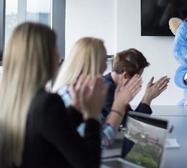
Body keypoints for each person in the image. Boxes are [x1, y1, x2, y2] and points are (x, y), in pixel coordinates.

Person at [0, 22, 106, 168]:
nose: (59, 55)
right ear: (44, 56)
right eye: (55, 47)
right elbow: (89, 164)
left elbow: (48, 130)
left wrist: (76, 109)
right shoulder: (48, 103)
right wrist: (92, 116)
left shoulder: (11, 99)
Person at [53, 38, 142, 147]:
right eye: (104, 60)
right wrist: (119, 106)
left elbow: (99, 130)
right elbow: (101, 142)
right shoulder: (74, 96)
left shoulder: (74, 92)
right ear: (94, 62)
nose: (106, 67)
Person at [101, 48, 170, 125]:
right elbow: (131, 125)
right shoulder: (106, 90)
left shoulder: (113, 85)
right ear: (126, 75)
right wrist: (148, 98)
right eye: (138, 77)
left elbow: (131, 117)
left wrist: (146, 96)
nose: (139, 81)